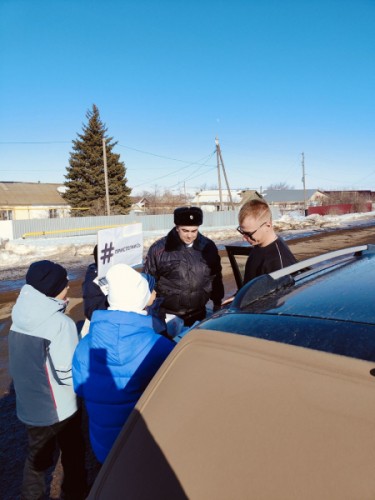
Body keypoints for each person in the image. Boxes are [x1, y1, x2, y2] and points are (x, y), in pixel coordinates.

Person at [72, 263, 175, 464]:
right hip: (140, 441)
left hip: (102, 445)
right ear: (141, 300)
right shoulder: (157, 346)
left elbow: (80, 387)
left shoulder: (84, 345)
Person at [8, 260, 87, 500]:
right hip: (58, 408)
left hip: (29, 404)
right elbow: (67, 374)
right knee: (73, 451)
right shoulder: (60, 324)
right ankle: (75, 492)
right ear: (54, 290)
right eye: (65, 286)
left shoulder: (20, 315)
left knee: (36, 458)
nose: (67, 290)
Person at [144, 206, 224, 326]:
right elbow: (148, 281)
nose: (190, 236)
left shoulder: (208, 247)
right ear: (177, 228)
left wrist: (217, 303)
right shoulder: (159, 249)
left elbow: (215, 277)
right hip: (167, 316)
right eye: (185, 231)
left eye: (194, 231)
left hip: (198, 313)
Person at [237, 199, 297, 284]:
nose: (244, 238)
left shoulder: (279, 261)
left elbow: (280, 296)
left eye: (249, 233)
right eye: (242, 232)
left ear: (267, 226)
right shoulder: (258, 247)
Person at [82, 244, 109, 321]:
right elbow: (91, 313)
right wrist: (112, 301)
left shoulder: (118, 272)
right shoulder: (92, 280)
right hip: (106, 323)